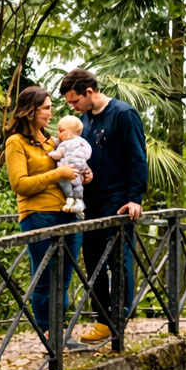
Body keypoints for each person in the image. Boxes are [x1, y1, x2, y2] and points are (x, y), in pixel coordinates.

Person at [3, 86, 105, 346]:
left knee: (65, 278)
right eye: (46, 108)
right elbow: (19, 184)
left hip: (68, 215)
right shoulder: (15, 142)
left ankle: (59, 334)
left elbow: (69, 165)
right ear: (30, 110)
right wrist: (57, 175)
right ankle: (49, 335)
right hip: (38, 216)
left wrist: (84, 174)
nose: (51, 113)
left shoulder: (53, 141)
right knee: (45, 277)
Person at [58, 68, 148, 343]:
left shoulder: (123, 114)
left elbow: (137, 156)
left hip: (119, 200)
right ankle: (103, 320)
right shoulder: (83, 121)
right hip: (90, 201)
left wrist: (135, 198)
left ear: (89, 91)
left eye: (75, 101)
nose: (72, 107)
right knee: (93, 259)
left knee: (118, 258)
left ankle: (119, 318)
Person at [47, 115, 91, 213]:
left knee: (64, 183)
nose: (58, 134)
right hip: (79, 169)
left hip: (67, 169)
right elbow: (86, 155)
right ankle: (78, 202)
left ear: (69, 133)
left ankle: (69, 199)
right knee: (78, 186)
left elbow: (59, 154)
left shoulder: (65, 144)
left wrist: (50, 154)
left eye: (61, 131)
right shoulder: (83, 142)